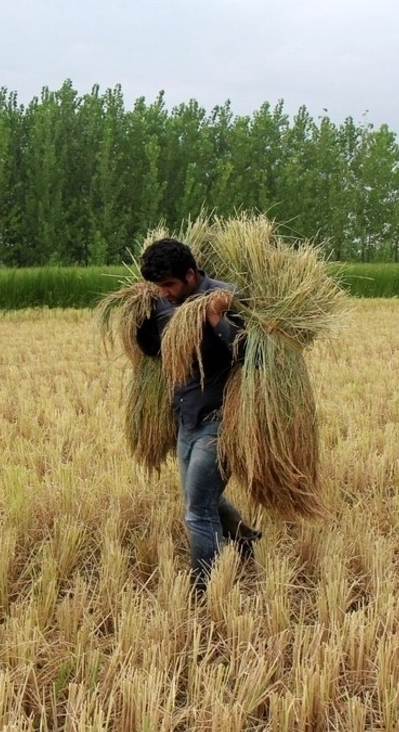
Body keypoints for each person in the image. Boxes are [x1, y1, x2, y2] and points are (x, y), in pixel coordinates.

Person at [134, 238, 261, 595]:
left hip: (221, 419)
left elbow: (253, 354)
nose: (165, 292)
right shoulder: (162, 301)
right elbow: (154, 352)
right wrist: (141, 314)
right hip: (185, 416)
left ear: (190, 275)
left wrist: (217, 319)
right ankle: (245, 538)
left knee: (197, 512)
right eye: (159, 287)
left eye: (170, 285)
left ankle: (205, 589)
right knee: (200, 497)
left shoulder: (225, 297)